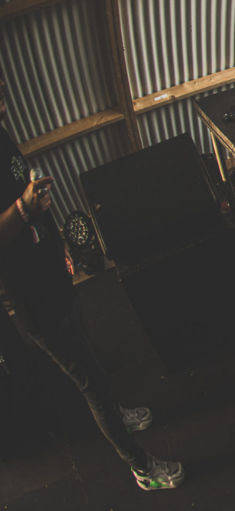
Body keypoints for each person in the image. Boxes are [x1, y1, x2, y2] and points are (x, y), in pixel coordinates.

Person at [0, 77, 184, 490]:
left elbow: (24, 194)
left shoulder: (2, 132)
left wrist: (55, 238)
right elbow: (15, 213)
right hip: (34, 301)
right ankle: (140, 467)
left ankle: (117, 416)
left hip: (51, 277)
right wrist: (23, 210)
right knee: (93, 387)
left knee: (92, 358)